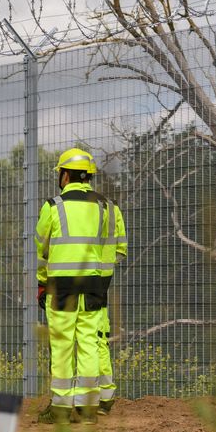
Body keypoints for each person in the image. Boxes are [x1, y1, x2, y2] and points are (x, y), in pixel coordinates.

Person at [35, 148, 111, 424]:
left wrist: (42, 283)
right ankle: (88, 408)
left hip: (61, 286)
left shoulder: (52, 207)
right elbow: (106, 248)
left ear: (65, 175)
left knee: (63, 344)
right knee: (89, 343)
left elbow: (41, 250)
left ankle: (61, 408)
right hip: (92, 284)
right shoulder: (103, 207)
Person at [93, 158, 127, 415]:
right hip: (101, 284)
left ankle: (83, 397)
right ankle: (105, 396)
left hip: (75, 283)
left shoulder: (75, 209)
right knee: (98, 339)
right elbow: (121, 250)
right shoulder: (112, 210)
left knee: (78, 340)